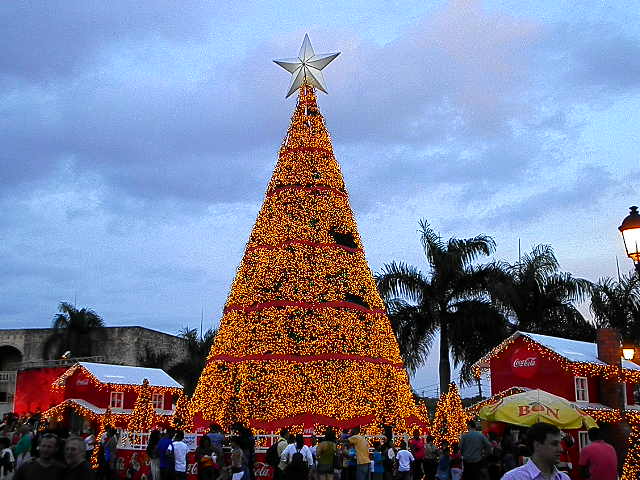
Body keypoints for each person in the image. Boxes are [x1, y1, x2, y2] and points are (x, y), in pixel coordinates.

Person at [500, 422, 570, 480]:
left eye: (560, 443)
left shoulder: (564, 478)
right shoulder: (513, 478)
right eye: (554, 444)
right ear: (537, 445)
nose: (561, 449)